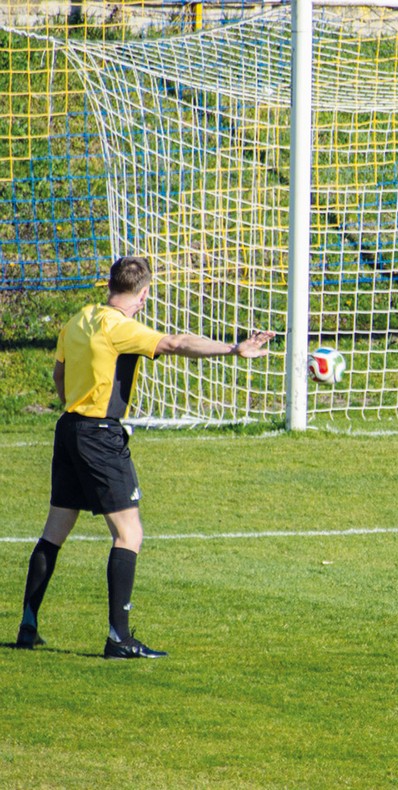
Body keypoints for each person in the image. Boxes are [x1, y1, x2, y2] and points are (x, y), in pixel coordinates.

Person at [15, 255, 274, 659]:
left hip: (69, 429)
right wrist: (234, 349)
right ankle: (119, 638)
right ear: (143, 293)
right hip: (100, 435)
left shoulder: (79, 318)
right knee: (129, 535)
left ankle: (28, 625)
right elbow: (175, 343)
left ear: (109, 285)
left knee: (54, 531)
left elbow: (59, 374)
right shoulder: (121, 328)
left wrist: (75, 404)